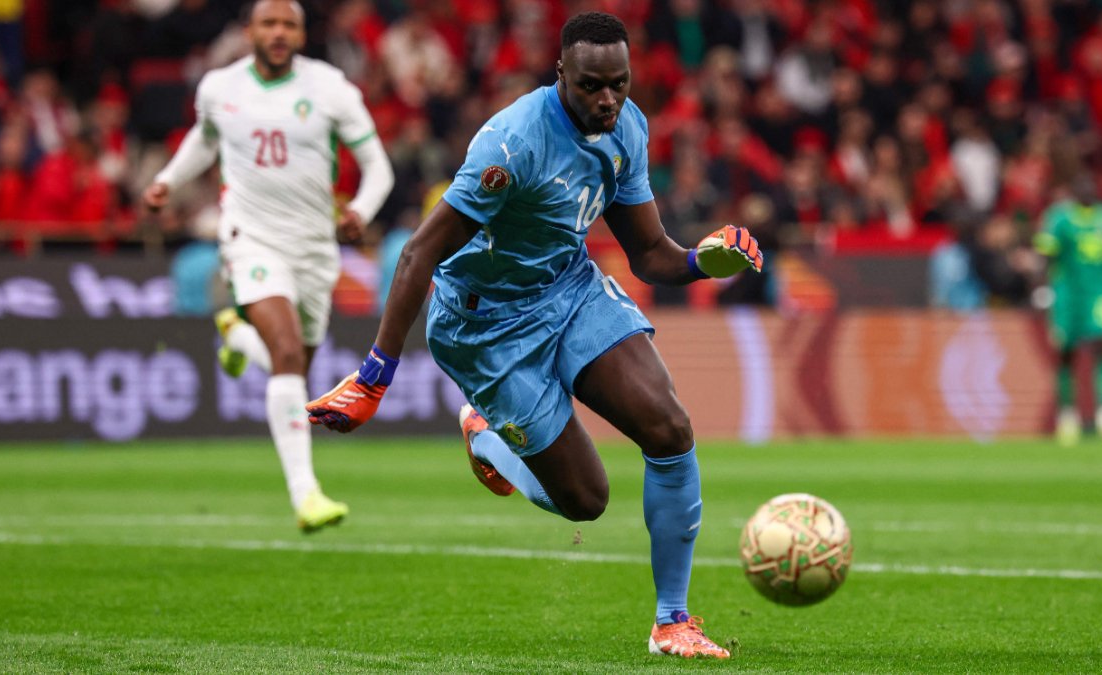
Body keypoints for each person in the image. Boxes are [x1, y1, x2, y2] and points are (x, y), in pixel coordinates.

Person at [306, 12, 761, 660]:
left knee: (669, 428)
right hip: (483, 324)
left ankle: (672, 621)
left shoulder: (626, 129)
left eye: (620, 84)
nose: (607, 99)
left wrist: (700, 262)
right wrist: (375, 377)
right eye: (591, 85)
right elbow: (417, 256)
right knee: (586, 500)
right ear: (561, 77)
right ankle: (487, 439)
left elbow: (650, 253)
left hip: (567, 289)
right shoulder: (512, 143)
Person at [142, 0, 394, 532]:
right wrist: (168, 179)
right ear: (250, 30)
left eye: (289, 25)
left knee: (294, 365)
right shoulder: (220, 88)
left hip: (314, 248)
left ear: (302, 34)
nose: (278, 33)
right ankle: (307, 494)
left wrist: (361, 211)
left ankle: (235, 339)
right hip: (250, 236)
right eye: (269, 23)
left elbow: (378, 168)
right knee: (285, 356)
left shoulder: (330, 89)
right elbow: (204, 139)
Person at [1034, 174, 1102, 445]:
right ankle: (1068, 415)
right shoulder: (1059, 218)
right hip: (1067, 296)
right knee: (1065, 353)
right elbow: (1045, 255)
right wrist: (1043, 289)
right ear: (1074, 191)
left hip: (1099, 294)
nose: (1088, 188)